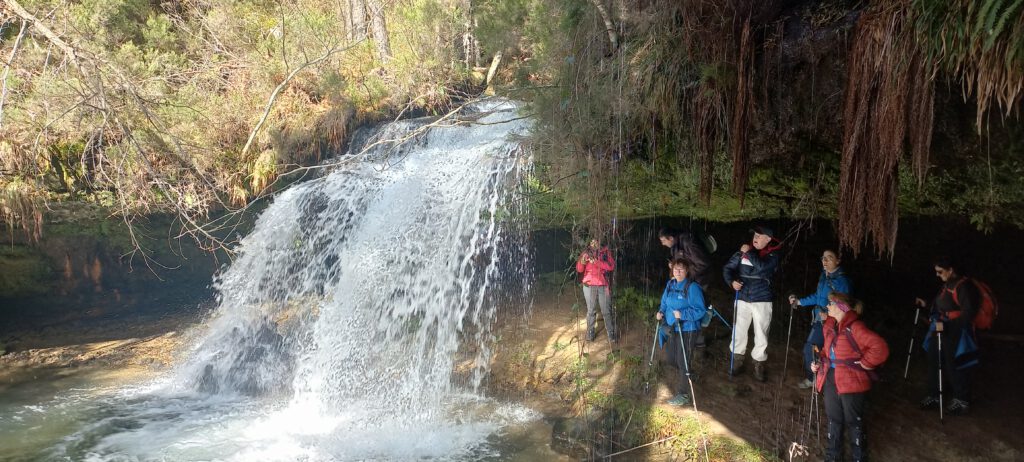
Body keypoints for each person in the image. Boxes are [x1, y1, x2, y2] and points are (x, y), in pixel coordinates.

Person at [811, 291, 889, 462]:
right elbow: (827, 351)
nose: (828, 306)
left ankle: (859, 457)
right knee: (834, 418)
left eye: (831, 303)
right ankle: (833, 456)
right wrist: (819, 362)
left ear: (841, 307)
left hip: (852, 380)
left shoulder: (856, 327)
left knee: (854, 420)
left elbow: (880, 347)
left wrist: (866, 363)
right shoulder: (830, 326)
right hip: (831, 377)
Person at [915, 256, 979, 416]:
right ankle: (934, 395)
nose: (937, 274)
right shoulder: (947, 284)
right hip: (941, 327)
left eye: (940, 271)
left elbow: (969, 313)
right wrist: (927, 305)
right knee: (934, 359)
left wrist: (948, 325)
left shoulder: (964, 286)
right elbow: (943, 306)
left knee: (954, 364)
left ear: (951, 270)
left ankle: (962, 400)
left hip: (956, 331)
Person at [722, 224, 781, 381]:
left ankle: (758, 363)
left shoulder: (773, 255)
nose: (755, 238)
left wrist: (747, 252)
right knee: (738, 330)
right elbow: (727, 269)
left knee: (761, 332)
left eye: (759, 236)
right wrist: (732, 282)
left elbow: (762, 268)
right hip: (742, 297)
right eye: (754, 235)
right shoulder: (744, 252)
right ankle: (737, 360)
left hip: (762, 299)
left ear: (768, 239)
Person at [789, 249, 852, 389]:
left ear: (838, 260)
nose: (825, 261)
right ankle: (819, 379)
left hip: (831, 323)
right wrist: (799, 302)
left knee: (811, 350)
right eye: (823, 258)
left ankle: (815, 380)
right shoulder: (824, 275)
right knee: (815, 350)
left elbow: (844, 305)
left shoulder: (842, 281)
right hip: (819, 320)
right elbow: (817, 297)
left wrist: (830, 317)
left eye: (829, 258)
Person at [656, 258, 706, 405]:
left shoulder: (692, 287)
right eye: (676, 269)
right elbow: (664, 302)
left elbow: (700, 310)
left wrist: (683, 315)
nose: (678, 272)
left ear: (687, 271)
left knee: (682, 361)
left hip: (688, 329)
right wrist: (661, 312)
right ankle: (689, 373)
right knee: (672, 359)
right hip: (673, 328)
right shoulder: (670, 284)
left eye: (681, 269)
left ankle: (683, 394)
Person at [576, 237, 617, 342]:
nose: (593, 244)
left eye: (596, 241)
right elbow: (579, 269)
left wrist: (597, 262)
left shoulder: (605, 252)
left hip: (603, 285)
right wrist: (583, 261)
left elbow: (611, 266)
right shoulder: (586, 252)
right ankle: (590, 332)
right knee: (591, 311)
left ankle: (611, 333)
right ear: (589, 242)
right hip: (589, 285)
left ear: (599, 241)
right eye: (592, 242)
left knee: (606, 310)